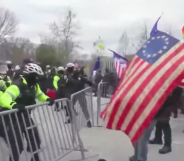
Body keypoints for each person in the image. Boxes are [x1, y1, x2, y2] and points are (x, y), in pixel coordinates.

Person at [0, 63, 54, 161]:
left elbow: (40, 95)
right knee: (17, 145)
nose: (38, 79)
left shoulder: (34, 86)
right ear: (30, 75)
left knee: (35, 139)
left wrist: (47, 99)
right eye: (36, 76)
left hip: (25, 115)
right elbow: (4, 98)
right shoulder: (17, 85)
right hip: (13, 118)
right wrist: (13, 105)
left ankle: (35, 158)